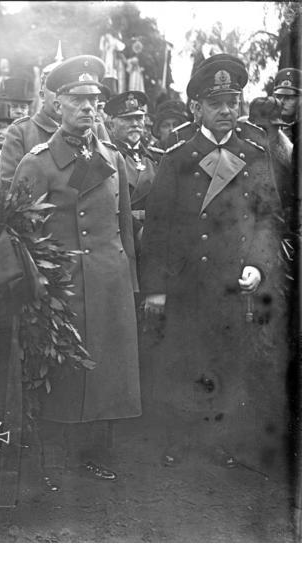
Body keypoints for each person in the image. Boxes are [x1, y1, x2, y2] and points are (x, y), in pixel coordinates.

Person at [140, 56, 286, 472]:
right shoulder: (178, 158)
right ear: (196, 109)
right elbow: (158, 228)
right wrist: (155, 289)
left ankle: (219, 440)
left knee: (227, 360)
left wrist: (258, 265)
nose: (227, 111)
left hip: (231, 283)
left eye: (233, 102)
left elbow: (267, 219)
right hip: (187, 283)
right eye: (217, 104)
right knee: (184, 358)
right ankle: (179, 441)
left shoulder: (255, 155)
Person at [10, 55, 140, 485]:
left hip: (108, 278)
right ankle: (55, 460)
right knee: (62, 371)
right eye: (77, 99)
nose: (88, 108)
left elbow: (122, 225)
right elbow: (19, 232)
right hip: (61, 283)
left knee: (106, 367)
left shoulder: (111, 156)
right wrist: (35, 287)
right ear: (56, 104)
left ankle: (95, 452)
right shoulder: (38, 162)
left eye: (94, 99)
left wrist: (130, 282)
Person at [0, 51, 110, 190]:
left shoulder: (95, 128)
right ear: (42, 95)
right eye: (56, 90)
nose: (61, 96)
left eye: (70, 91)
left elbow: (110, 180)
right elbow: (9, 185)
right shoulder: (22, 131)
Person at [105, 90, 159, 252]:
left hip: (154, 237)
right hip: (120, 239)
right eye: (127, 119)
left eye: (139, 118)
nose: (135, 123)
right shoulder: (104, 159)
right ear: (111, 125)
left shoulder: (157, 158)